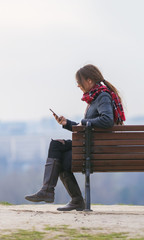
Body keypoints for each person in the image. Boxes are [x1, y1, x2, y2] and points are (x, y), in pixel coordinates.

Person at [25, 64, 126, 211]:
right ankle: (50, 191)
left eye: (79, 82)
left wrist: (84, 121)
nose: (78, 85)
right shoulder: (95, 98)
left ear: (89, 81)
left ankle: (66, 197)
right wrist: (67, 124)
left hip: (95, 148)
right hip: (90, 143)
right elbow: (87, 127)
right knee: (56, 146)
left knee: (61, 159)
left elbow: (107, 120)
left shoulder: (102, 96)